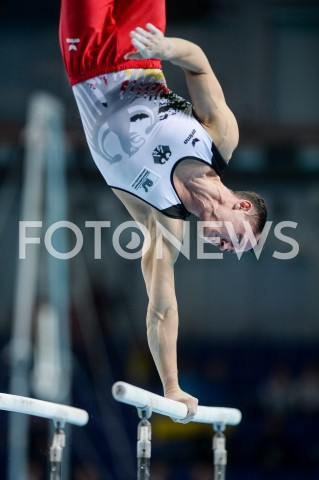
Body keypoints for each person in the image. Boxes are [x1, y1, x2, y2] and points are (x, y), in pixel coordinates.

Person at [59, 0, 267, 422]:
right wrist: (166, 47)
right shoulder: (220, 138)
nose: (227, 248)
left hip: (90, 63)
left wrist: (171, 386)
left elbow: (162, 309)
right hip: (145, 48)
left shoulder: (165, 221)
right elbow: (199, 65)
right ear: (243, 207)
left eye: (232, 251)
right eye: (238, 240)